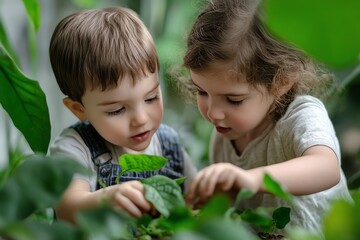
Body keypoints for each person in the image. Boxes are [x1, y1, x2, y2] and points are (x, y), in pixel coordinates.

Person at [180, 0, 353, 235]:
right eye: (202, 92)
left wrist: (252, 179)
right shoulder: (223, 139)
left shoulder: (300, 116)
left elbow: (326, 168)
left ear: (281, 82)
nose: (213, 112)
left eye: (234, 100)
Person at [48, 7, 196, 224]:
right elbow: (67, 208)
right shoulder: (75, 148)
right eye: (117, 110)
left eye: (151, 97)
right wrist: (106, 199)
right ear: (79, 109)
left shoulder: (169, 145)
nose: (141, 119)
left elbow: (197, 199)